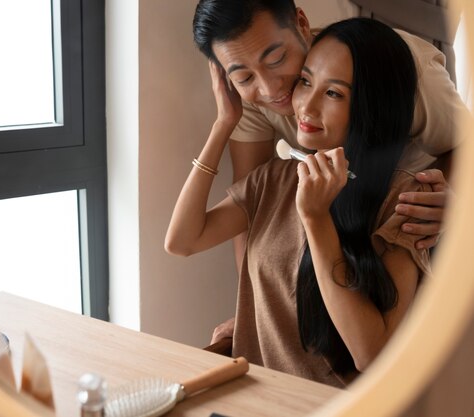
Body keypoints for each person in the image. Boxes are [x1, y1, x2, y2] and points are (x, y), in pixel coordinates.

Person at [166, 17, 431, 387]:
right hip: (257, 401)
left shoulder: (403, 201)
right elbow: (182, 241)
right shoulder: (276, 177)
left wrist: (316, 217)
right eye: (306, 82)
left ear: (372, 105)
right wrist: (223, 124)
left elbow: (370, 355)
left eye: (334, 93)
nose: (305, 106)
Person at [192, 0, 463, 343]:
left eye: (276, 60)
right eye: (244, 76)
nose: (271, 88)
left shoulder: (400, 66)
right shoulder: (247, 99)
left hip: (408, 225)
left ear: (301, 24)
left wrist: (454, 201)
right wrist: (255, 312)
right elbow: (252, 215)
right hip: (340, 235)